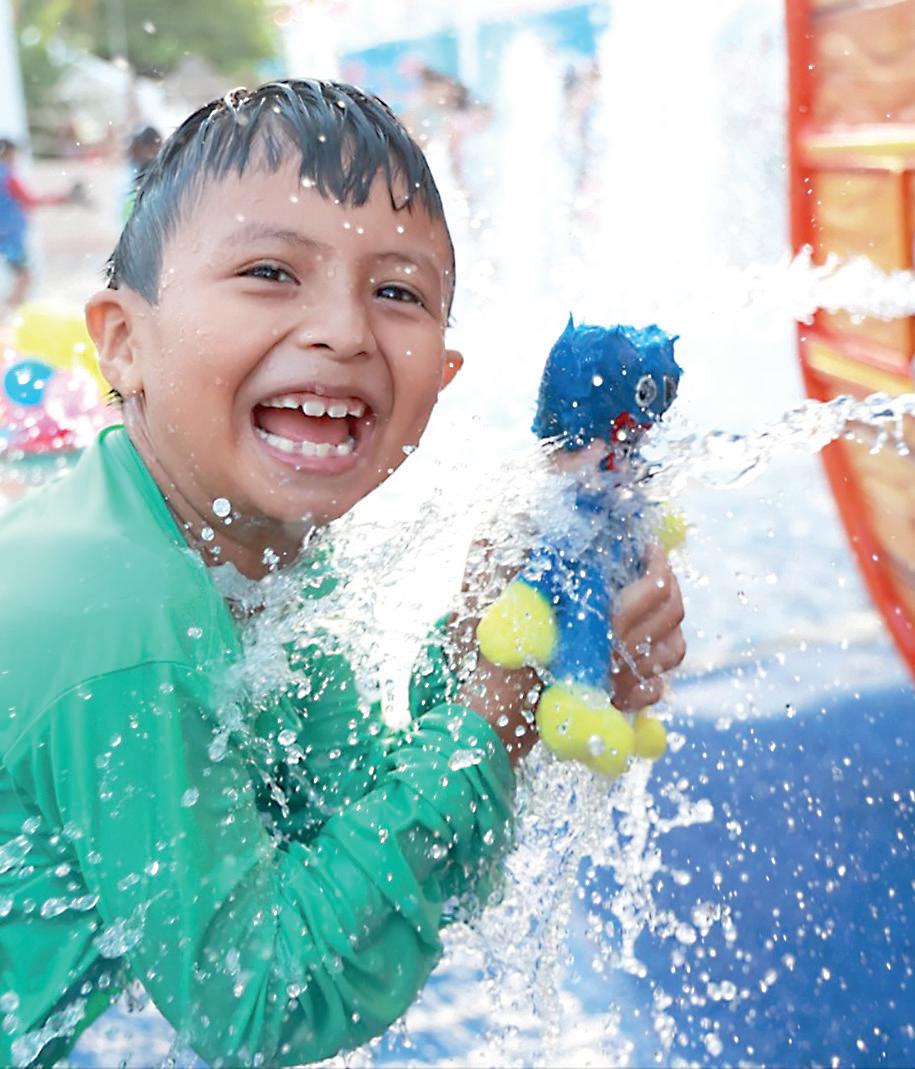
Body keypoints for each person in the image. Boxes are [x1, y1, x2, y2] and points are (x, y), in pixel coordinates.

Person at [0, 80, 686, 1067]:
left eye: (397, 292)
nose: (346, 331)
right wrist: (487, 720)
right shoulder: (116, 618)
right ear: (123, 342)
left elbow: (344, 831)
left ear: (441, 377)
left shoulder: (264, 562)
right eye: (270, 271)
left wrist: (504, 654)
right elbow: (260, 997)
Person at [0, 138, 84, 314]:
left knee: (19, 277)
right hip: (10, 236)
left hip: (5, 234)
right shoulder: (8, 176)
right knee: (25, 278)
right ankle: (7, 316)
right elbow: (30, 200)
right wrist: (62, 198)